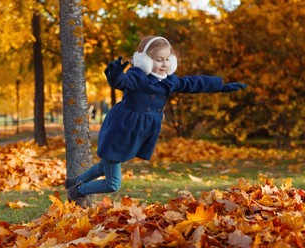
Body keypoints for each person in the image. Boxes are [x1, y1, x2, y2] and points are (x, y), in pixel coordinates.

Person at [65, 35, 247, 204]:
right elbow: (123, 82)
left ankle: (74, 181)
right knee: (113, 183)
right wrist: (115, 75)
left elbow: (192, 83)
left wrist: (221, 87)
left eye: (167, 59)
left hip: (138, 132)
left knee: (108, 164)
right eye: (159, 60)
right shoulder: (139, 76)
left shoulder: (168, 81)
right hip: (121, 130)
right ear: (146, 60)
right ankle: (78, 191)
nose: (164, 64)